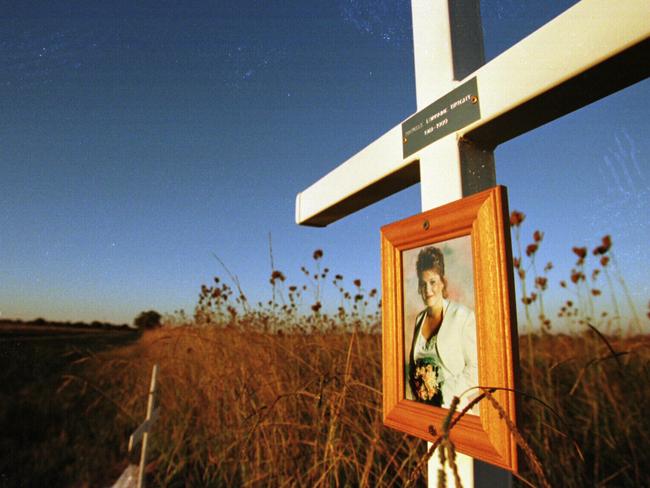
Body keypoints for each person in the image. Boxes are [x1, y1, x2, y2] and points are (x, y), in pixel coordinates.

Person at [408, 246, 479, 412]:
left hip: (454, 413)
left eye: (432, 282)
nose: (428, 290)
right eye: (422, 284)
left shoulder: (463, 316)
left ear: (442, 282)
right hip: (424, 412)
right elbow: (414, 366)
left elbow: (477, 371)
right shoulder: (420, 319)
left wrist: (440, 393)